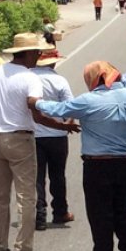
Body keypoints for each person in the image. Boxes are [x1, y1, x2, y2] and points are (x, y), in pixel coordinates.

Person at [35, 61, 126, 251]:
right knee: (121, 209)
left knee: (99, 213)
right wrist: (120, 76)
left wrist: (35, 103)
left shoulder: (89, 101)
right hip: (124, 161)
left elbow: (58, 109)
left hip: (98, 163)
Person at [0, 32, 60, 251]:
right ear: (31, 54)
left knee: (0, 195)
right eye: (38, 53)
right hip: (20, 137)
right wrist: (62, 125)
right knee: (26, 196)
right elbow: (37, 113)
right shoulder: (30, 78)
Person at [32, 49, 76, 232]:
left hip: (34, 135)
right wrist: (66, 125)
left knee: (37, 177)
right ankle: (60, 211)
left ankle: (39, 214)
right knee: (57, 175)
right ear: (53, 62)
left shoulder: (28, 79)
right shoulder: (59, 80)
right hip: (57, 135)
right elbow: (71, 108)